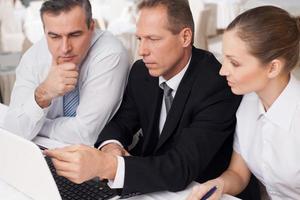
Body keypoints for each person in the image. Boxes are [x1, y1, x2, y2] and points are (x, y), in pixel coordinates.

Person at [45, 0, 259, 198]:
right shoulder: (141, 72)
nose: (142, 51)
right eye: (140, 39)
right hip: (150, 186)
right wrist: (112, 146)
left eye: (153, 39)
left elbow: (180, 167)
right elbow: (120, 123)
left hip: (198, 191)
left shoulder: (216, 84)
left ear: (185, 37)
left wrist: (108, 166)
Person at [187, 6, 300, 200]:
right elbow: (238, 174)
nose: (222, 71)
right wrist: (219, 184)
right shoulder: (247, 103)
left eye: (235, 63)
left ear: (273, 67)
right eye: (224, 59)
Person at [4, 0, 130, 145]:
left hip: (92, 157)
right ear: (45, 32)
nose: (65, 48)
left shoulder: (110, 53)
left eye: (75, 35)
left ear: (91, 28)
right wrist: (42, 94)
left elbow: (84, 135)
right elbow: (13, 131)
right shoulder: (33, 57)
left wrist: (37, 125)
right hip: (41, 152)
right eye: (54, 36)